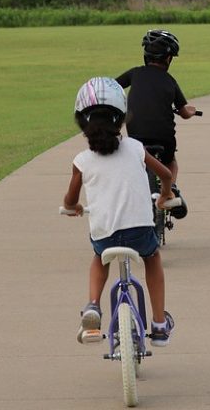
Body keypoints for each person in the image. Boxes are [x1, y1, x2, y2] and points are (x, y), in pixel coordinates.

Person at [62, 76, 176, 347]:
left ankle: (92, 306)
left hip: (105, 235)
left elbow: (70, 199)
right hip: (140, 233)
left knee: (99, 257)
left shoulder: (82, 160)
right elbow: (166, 174)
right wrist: (165, 195)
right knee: (152, 258)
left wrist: (73, 207)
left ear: (82, 122)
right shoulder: (136, 148)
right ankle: (159, 323)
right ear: (122, 118)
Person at [116, 29, 197, 218]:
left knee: (137, 160)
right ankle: (171, 191)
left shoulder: (135, 74)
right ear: (168, 58)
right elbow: (184, 112)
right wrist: (191, 111)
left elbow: (113, 85)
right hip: (164, 136)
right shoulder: (170, 81)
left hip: (136, 134)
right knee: (171, 162)